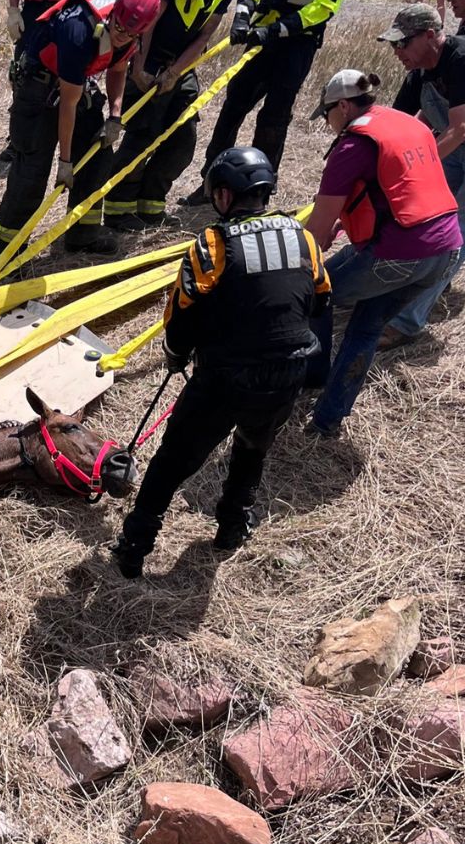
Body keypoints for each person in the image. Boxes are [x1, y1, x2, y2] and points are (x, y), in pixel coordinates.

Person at [111, 148, 329, 579]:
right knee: (252, 448)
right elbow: (321, 300)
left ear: (226, 195)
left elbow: (182, 311)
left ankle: (134, 547)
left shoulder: (214, 243)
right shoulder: (301, 236)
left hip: (228, 377)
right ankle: (233, 526)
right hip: (289, 372)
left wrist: (175, 356)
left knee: (172, 462)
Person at [180, 0, 357, 202]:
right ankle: (210, 182)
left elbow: (324, 7)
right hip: (262, 36)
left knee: (273, 119)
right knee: (232, 107)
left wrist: (277, 30)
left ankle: (257, 191)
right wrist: (245, 12)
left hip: (296, 46)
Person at [304, 69, 461, 437]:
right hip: (446, 249)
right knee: (368, 325)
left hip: (400, 253)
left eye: (326, 114)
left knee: (316, 293)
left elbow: (315, 229)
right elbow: (404, 187)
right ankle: (328, 419)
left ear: (342, 107)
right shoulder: (405, 123)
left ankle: (312, 377)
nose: (328, 123)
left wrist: (300, 263)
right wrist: (351, 220)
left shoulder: (352, 146)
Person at [103, 0, 256, 234]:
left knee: (182, 141)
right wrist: (140, 66)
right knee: (142, 136)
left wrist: (176, 72)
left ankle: (151, 204)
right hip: (150, 57)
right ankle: (117, 209)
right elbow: (151, 17)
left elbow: (205, 34)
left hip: (181, 66)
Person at [0, 0, 162, 259]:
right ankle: (7, 251)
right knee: (33, 169)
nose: (123, 36)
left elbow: (118, 69)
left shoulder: (130, 30)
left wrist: (115, 116)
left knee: (98, 156)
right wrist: (65, 163)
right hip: (40, 86)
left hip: (75, 84)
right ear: (114, 12)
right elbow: (68, 105)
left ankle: (83, 236)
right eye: (119, 28)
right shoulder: (79, 31)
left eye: (132, 33)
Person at [375, 4, 465, 347]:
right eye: (393, 45)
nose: (396, 52)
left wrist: (414, 167)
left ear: (431, 36)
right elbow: (396, 125)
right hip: (456, 143)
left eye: (403, 43)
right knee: (429, 216)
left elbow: (460, 129)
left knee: (455, 231)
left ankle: (406, 323)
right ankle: (417, 279)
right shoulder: (418, 74)